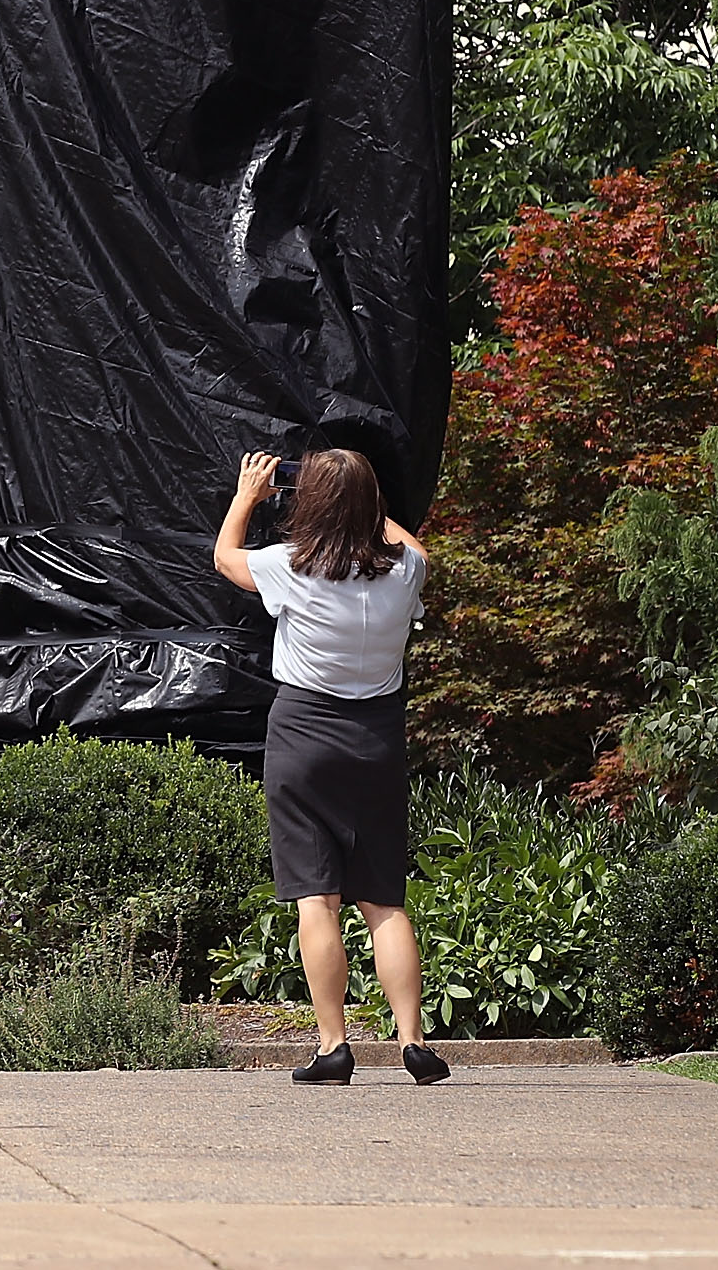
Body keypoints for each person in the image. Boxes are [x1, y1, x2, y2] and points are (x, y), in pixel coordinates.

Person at [214, 448, 449, 1086]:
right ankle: (412, 1043)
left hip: (303, 735)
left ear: (309, 503)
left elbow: (225, 559)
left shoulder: (291, 567)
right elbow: (412, 543)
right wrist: (367, 505)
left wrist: (248, 494)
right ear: (373, 508)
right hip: (377, 739)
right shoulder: (407, 572)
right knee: (384, 902)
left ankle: (332, 1045)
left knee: (316, 898)